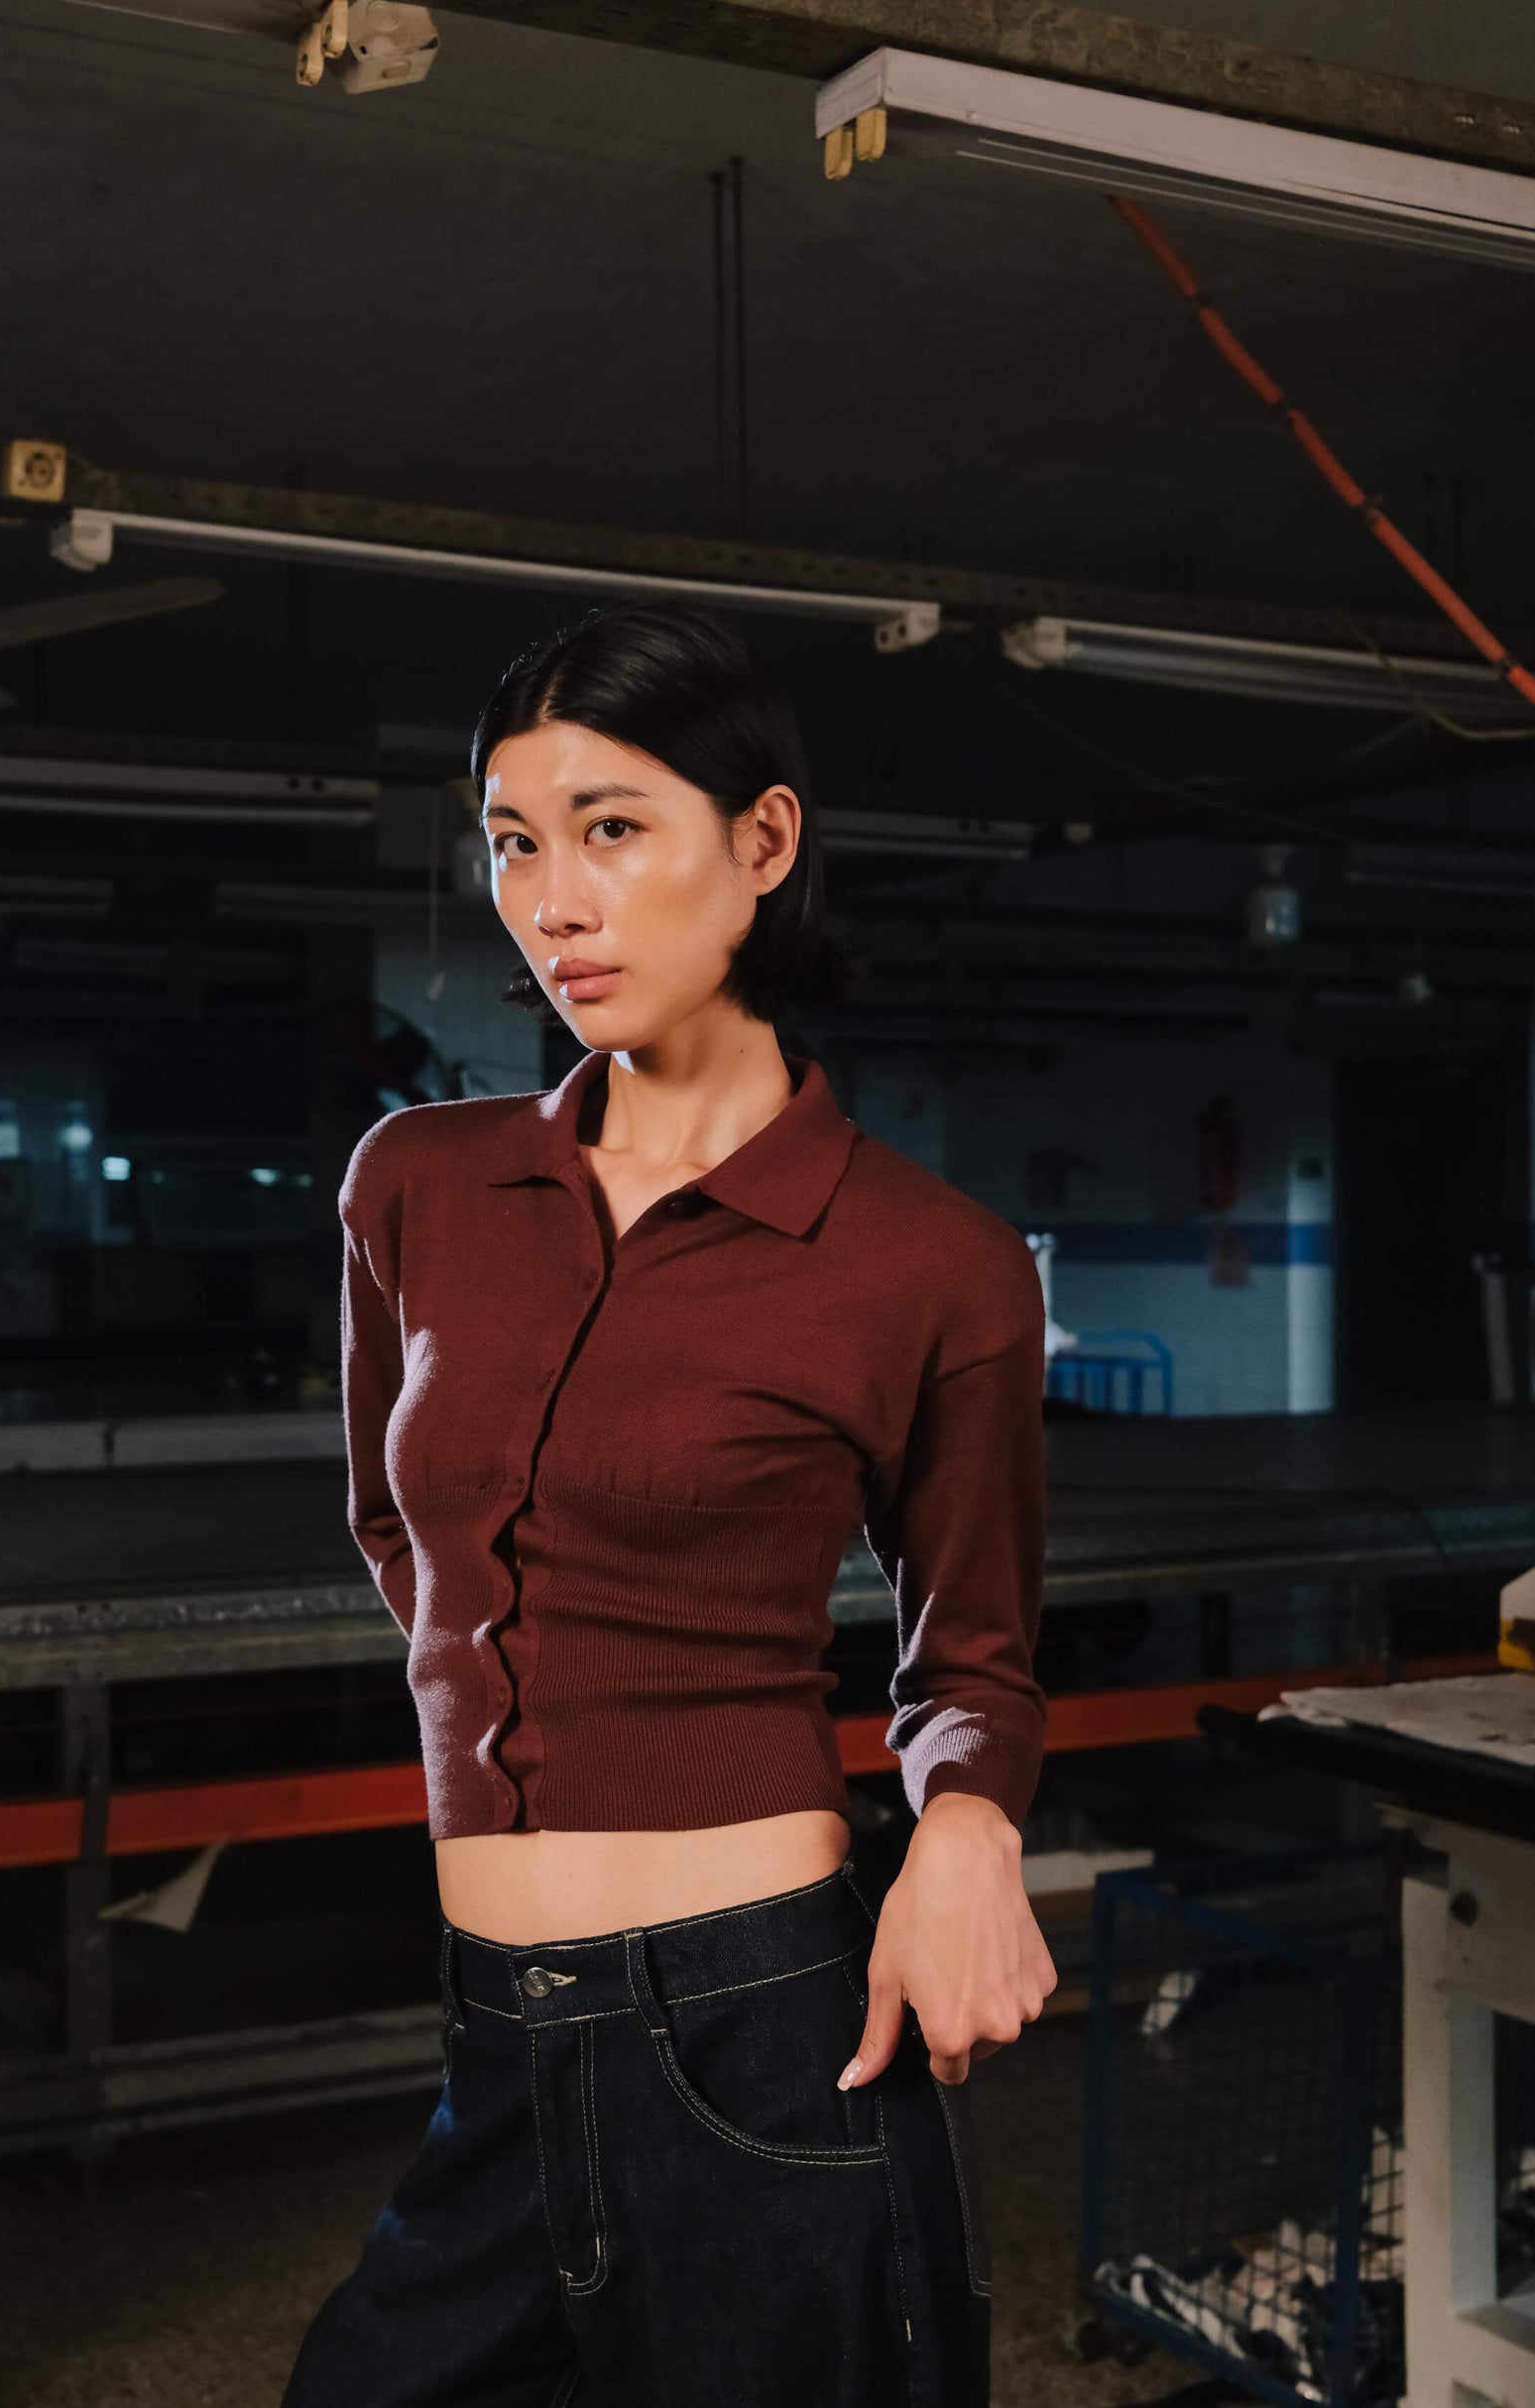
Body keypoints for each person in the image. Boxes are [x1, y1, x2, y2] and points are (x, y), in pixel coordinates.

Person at [283, 604, 1055, 2407]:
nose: (553, 899)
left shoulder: (928, 1261)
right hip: (494, 2021)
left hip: (766, 2034)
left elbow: (976, 1654)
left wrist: (964, 1829)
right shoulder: (417, 1182)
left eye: (612, 827)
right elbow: (397, 1530)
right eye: (512, 839)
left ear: (762, 842)